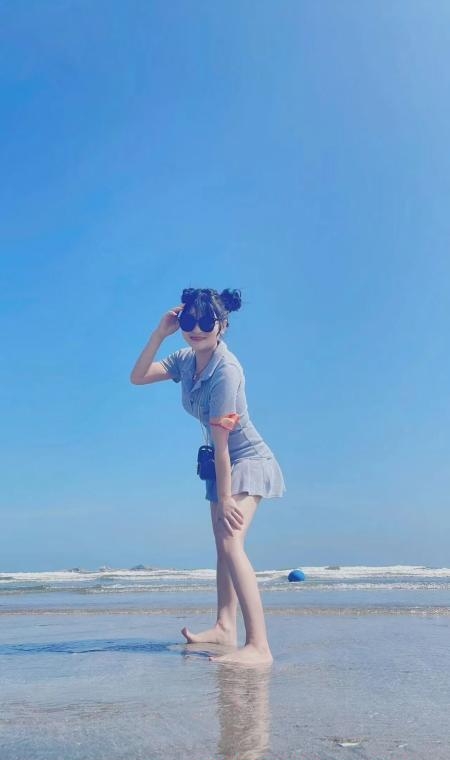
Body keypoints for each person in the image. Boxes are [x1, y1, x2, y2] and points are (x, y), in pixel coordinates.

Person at [130, 288, 286, 665]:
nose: (196, 329)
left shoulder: (226, 371)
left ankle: (259, 647)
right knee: (221, 545)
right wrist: (159, 333)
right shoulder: (186, 359)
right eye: (189, 320)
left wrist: (227, 498)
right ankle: (224, 626)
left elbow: (223, 442)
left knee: (231, 543)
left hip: (246, 459)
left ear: (222, 325)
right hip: (222, 463)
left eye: (205, 321)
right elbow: (138, 376)